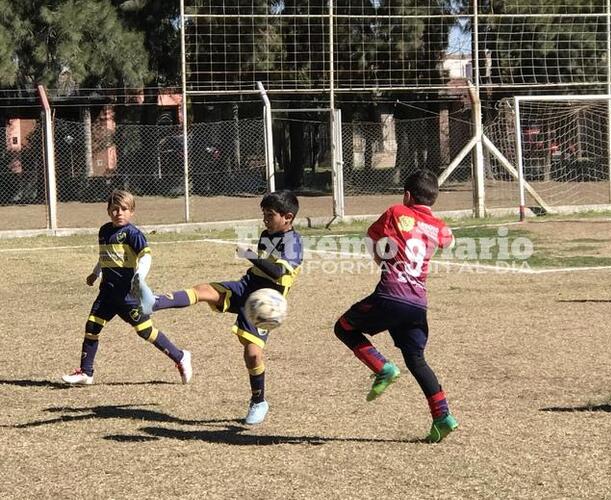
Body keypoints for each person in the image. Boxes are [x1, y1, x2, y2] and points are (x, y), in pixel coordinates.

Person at [147, 190, 303, 425]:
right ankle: (153, 302)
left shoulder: (294, 242)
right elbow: (261, 269)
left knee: (252, 355)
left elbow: (279, 272)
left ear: (287, 217)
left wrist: (249, 254)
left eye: (269, 215)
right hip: (246, 286)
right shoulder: (266, 234)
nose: (265, 219)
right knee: (204, 291)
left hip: (263, 303)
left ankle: (258, 401)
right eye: (263, 214)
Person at [333, 170, 458, 443]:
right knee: (416, 360)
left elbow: (371, 234)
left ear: (407, 195)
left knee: (343, 327)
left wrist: (381, 257)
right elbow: (449, 240)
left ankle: (382, 368)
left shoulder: (396, 211)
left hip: (391, 294)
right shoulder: (437, 224)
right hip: (417, 302)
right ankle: (442, 416)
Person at [62, 190, 192, 385]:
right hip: (106, 293)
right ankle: (86, 372)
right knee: (92, 326)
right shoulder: (104, 231)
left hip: (127, 296)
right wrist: (95, 273)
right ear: (108, 211)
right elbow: (105, 256)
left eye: (124, 209)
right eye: (114, 209)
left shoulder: (132, 234)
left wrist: (139, 275)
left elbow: (146, 255)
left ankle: (180, 356)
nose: (119, 213)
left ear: (131, 212)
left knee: (145, 331)